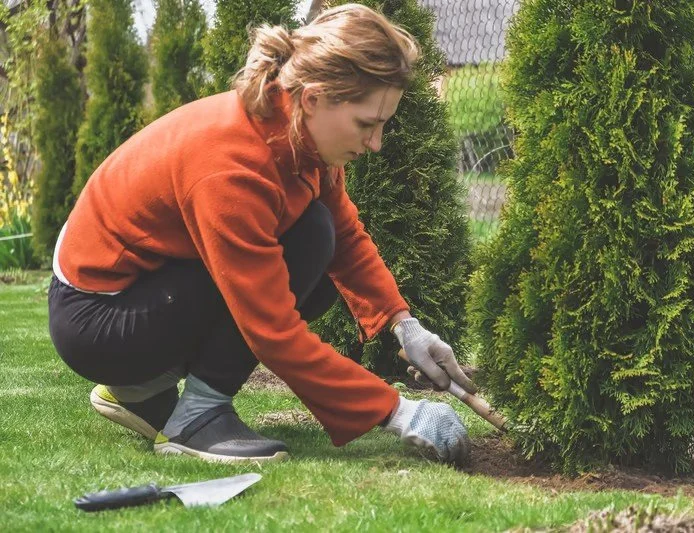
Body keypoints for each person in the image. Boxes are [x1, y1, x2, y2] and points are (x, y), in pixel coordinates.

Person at [48, 4, 476, 465]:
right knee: (302, 247)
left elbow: (345, 236)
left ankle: (139, 391)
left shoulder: (296, 129)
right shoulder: (233, 167)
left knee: (316, 237)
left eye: (382, 125)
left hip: (148, 290)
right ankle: (196, 417)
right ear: (313, 98)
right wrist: (398, 411)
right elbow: (271, 329)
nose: (375, 143)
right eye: (365, 124)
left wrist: (403, 324)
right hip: (99, 321)